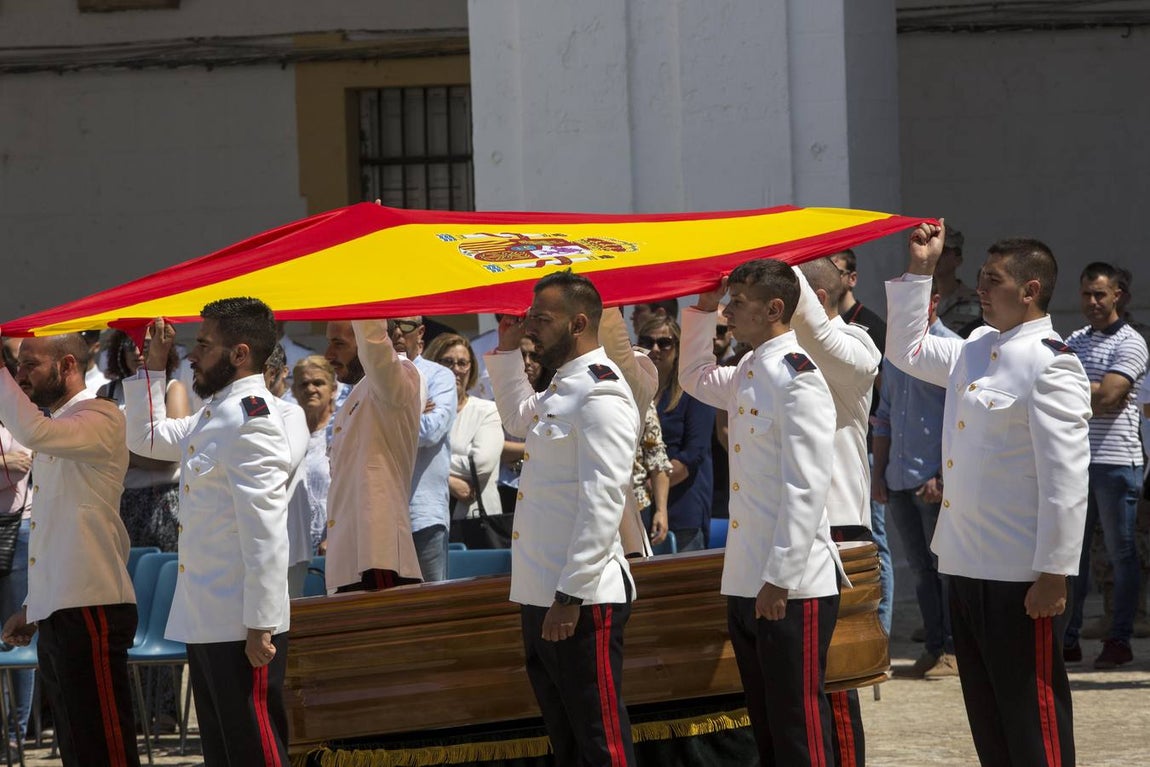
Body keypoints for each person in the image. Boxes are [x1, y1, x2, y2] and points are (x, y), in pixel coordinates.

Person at [885, 223, 1091, 766]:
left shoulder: (1053, 362)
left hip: (1021, 575)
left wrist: (1053, 572)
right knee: (989, 717)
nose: (980, 289)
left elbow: (1067, 480)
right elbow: (906, 350)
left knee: (1033, 718)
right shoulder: (977, 346)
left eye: (992, 280)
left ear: (1029, 290)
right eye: (979, 278)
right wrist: (921, 269)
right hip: (965, 565)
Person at [123, 301, 307, 767]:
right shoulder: (215, 414)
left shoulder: (252, 420)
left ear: (240, 354)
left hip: (241, 623)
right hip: (207, 616)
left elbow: (266, 532)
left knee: (254, 749)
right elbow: (146, 438)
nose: (193, 355)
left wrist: (262, 625)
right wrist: (153, 369)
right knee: (224, 753)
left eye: (204, 345)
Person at [680, 260, 841, 767]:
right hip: (749, 576)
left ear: (774, 309)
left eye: (737, 302)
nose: (728, 310)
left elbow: (806, 486)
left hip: (791, 583)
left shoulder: (798, 377)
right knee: (767, 723)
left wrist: (780, 578)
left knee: (799, 727)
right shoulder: (752, 368)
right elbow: (694, 378)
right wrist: (702, 314)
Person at [486, 270, 640, 767]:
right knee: (566, 738)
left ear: (578, 324)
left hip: (580, 597)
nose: (531, 327)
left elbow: (603, 502)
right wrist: (508, 348)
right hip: (541, 591)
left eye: (542, 319)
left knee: (600, 740)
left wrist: (569, 596)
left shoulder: (602, 393)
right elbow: (516, 419)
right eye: (530, 316)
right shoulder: (562, 389)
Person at [0, 331, 138, 767]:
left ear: (67, 366)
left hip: (92, 605)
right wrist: (34, 605)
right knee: (79, 748)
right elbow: (54, 530)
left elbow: (33, 431)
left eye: (29, 365)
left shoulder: (101, 415)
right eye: (17, 366)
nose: (21, 375)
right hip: (63, 609)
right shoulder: (60, 425)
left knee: (105, 748)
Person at [790, 257, 881, 766]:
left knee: (836, 674)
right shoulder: (777, 352)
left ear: (814, 300)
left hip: (838, 525)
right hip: (789, 525)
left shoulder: (855, 341)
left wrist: (791, 281)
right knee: (801, 676)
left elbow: (828, 346)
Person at [1062, 261, 1148, 668]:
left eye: (1101, 294)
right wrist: (1089, 389)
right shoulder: (1074, 339)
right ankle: (1069, 637)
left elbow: (1112, 396)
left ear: (1118, 296)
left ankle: (1119, 639)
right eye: (1086, 294)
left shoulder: (1131, 342)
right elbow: (1049, 387)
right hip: (1077, 461)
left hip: (1116, 461)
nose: (1093, 302)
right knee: (1071, 556)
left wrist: (1075, 386)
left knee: (1121, 553)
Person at [871, 282, 960, 678]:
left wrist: (942, 474)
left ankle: (954, 649)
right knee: (922, 569)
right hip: (900, 478)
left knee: (946, 569)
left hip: (933, 480)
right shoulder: (894, 352)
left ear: (934, 302)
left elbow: (961, 420)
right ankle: (935, 646)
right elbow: (884, 415)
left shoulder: (952, 348)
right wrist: (878, 474)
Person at [323, 320, 424, 592]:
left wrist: (364, 306)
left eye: (339, 344)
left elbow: (375, 346)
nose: (328, 355)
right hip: (351, 560)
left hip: (379, 559)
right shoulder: (362, 392)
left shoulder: (399, 377)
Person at [99, 329, 190, 551]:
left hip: (164, 499)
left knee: (159, 573)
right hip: (120, 498)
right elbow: (99, 450)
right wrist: (146, 451)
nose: (138, 351)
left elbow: (172, 455)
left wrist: (123, 452)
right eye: (131, 345)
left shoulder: (172, 389)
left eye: (147, 345)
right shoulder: (107, 391)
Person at [636, 317, 714, 551]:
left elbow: (694, 453)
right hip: (640, 509)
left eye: (665, 343)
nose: (656, 349)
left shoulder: (693, 391)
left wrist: (648, 487)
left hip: (682, 511)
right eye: (648, 342)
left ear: (678, 348)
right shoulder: (637, 392)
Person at [390, 316, 457, 582]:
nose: (396, 332)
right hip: (380, 519)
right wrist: (415, 410)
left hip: (422, 515)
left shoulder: (439, 375)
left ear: (420, 333)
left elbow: (430, 430)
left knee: (433, 606)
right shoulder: (368, 377)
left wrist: (386, 418)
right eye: (390, 324)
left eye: (404, 325)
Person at [425, 333, 504, 525]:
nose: (456, 370)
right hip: (428, 519)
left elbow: (480, 463)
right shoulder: (421, 412)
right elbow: (404, 462)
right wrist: (450, 481)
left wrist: (428, 463)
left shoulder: (486, 411)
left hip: (475, 521)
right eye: (448, 362)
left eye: (462, 363)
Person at [284, 356, 338, 596]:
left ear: (333, 389)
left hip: (332, 543)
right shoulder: (285, 431)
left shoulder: (340, 429)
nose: (311, 389)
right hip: (294, 541)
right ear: (293, 389)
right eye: (303, 384)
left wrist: (333, 534)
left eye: (318, 383)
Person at [0, 423, 34, 748]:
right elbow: (10, 463)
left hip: (19, 528)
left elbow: (24, 462)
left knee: (17, 634)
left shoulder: (22, 416)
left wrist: (10, 461)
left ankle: (15, 734)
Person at [933, 226, 983, 337]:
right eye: (933, 250)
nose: (937, 256)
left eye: (943, 251)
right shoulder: (921, 299)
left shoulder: (978, 301)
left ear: (958, 259)